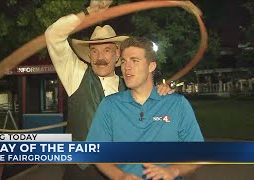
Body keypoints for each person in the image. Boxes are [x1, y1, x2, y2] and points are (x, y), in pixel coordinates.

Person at [45, 0, 173, 179]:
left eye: (106, 50)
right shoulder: (76, 75)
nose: (100, 58)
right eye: (95, 52)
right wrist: (88, 12)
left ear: (117, 55)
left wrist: (161, 94)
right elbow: (52, 35)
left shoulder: (129, 87)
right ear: (89, 56)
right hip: (81, 170)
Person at [86, 36, 204, 180]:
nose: (127, 67)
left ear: (151, 66)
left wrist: (173, 171)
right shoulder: (109, 105)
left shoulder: (177, 104)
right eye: (123, 61)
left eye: (134, 61)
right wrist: (121, 176)